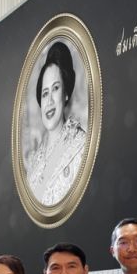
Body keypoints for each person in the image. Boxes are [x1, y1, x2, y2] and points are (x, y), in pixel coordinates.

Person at [24, 41, 88, 206]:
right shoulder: (34, 163)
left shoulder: (81, 146)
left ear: (66, 93)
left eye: (56, 88)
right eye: (45, 93)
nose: (49, 101)